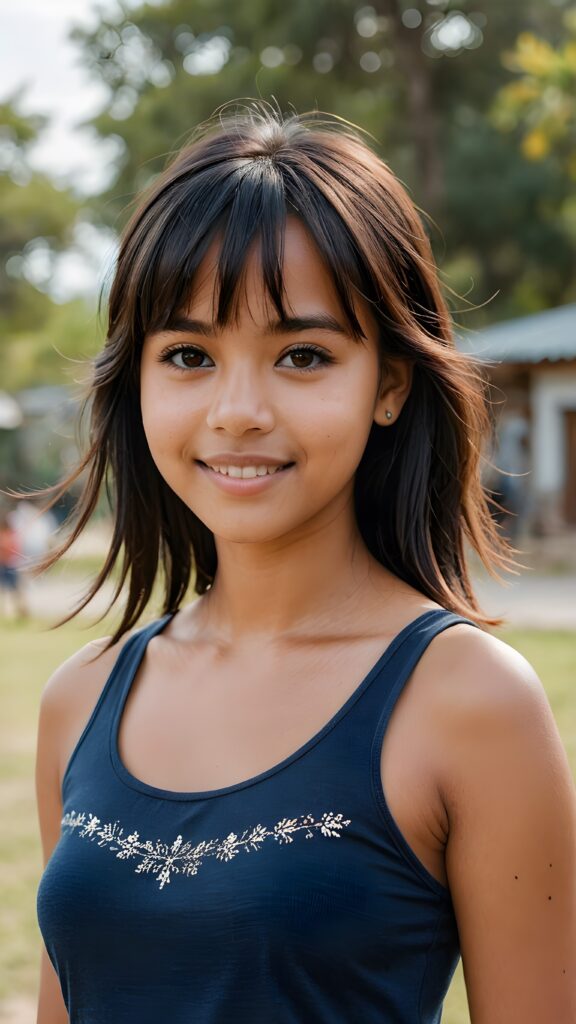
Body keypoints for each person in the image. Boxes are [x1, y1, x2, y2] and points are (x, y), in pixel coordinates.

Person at [34, 103, 576, 1024]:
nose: (238, 410)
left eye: (302, 354)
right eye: (190, 354)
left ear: (390, 385)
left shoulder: (471, 704)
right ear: (139, 382)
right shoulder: (80, 699)